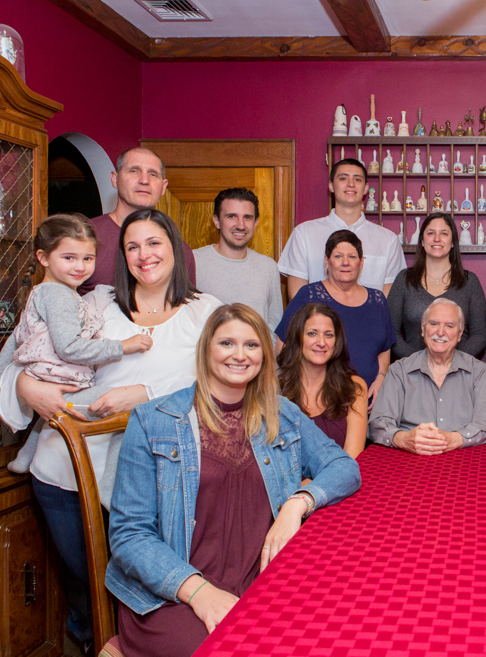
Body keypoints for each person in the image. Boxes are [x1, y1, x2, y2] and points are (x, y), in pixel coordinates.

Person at [0, 208, 221, 653]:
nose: (144, 255)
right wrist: (28, 387)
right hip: (65, 469)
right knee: (86, 585)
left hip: (157, 477)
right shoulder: (93, 301)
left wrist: (145, 391)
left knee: (147, 583)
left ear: (175, 248)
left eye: (154, 243)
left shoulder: (207, 312)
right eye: (132, 246)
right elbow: (13, 359)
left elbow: (225, 382)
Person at [106, 304, 361, 657]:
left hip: (261, 583)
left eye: (252, 345)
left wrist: (297, 502)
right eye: (227, 343)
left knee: (336, 632)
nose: (240, 355)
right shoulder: (154, 421)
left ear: (264, 355)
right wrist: (199, 592)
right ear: (206, 349)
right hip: (172, 594)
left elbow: (344, 466)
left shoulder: (282, 413)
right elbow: (129, 535)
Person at [4, 214, 153, 473]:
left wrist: (4, 369)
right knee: (120, 405)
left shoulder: (46, 291)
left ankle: (24, 458)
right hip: (58, 375)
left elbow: (17, 337)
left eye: (88, 258)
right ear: (43, 258)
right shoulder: (59, 295)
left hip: (48, 376)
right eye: (69, 258)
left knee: (54, 414)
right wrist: (122, 346)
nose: (80, 267)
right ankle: (110, 488)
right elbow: (69, 347)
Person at [275, 230, 394, 407]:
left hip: (369, 402)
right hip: (319, 404)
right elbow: (282, 346)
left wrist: (380, 379)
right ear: (326, 261)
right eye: (338, 256)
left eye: (352, 256)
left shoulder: (377, 300)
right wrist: (306, 387)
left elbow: (384, 349)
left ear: (361, 263)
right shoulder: (309, 296)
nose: (345, 262)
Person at [370, 299, 486, 454]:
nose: (440, 332)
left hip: (466, 461)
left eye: (449, 326)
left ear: (460, 333)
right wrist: (404, 439)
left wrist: (455, 439)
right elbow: (378, 423)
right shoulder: (398, 371)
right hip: (408, 460)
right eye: (434, 324)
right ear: (422, 328)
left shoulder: (480, 372)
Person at [277, 158, 405, 298]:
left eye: (357, 179)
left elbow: (388, 303)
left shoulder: (388, 240)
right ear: (331, 186)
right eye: (343, 178)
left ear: (366, 188)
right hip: (318, 318)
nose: (351, 184)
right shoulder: (304, 234)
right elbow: (298, 299)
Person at [80, 147, 197, 294]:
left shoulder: (179, 249)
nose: (144, 180)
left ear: (163, 187)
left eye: (153, 174)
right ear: (114, 179)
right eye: (134, 171)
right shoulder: (84, 235)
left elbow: (185, 308)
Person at [387, 213, 486, 359]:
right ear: (422, 240)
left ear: (453, 241)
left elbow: (479, 334)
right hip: (412, 372)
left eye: (444, 233)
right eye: (430, 233)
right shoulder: (404, 280)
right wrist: (420, 362)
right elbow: (391, 332)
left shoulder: (469, 281)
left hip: (459, 372)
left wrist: (451, 362)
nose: (437, 239)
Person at [277, 303, 367, 458]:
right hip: (289, 481)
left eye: (329, 335)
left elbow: (352, 457)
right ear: (297, 338)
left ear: (337, 341)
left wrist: (317, 483)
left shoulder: (354, 388)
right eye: (312, 333)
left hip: (340, 479)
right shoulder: (274, 388)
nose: (321, 342)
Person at [193, 187, 283, 329]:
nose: (240, 225)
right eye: (231, 216)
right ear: (216, 221)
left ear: (255, 223)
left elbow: (275, 326)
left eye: (247, 217)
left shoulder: (268, 267)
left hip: (256, 351)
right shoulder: (193, 262)